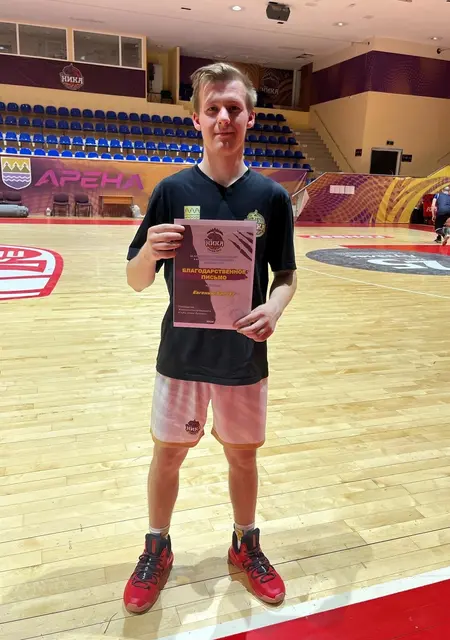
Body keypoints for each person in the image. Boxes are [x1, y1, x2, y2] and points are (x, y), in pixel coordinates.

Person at [124, 62, 297, 614]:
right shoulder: (172, 191)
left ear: (250, 118)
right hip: (182, 354)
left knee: (243, 458)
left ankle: (245, 543)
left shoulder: (271, 197)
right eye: (213, 109)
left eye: (234, 109)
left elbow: (287, 275)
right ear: (197, 118)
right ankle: (157, 546)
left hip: (244, 355)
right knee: (168, 455)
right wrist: (150, 252)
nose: (224, 117)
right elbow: (136, 279)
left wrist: (274, 307)